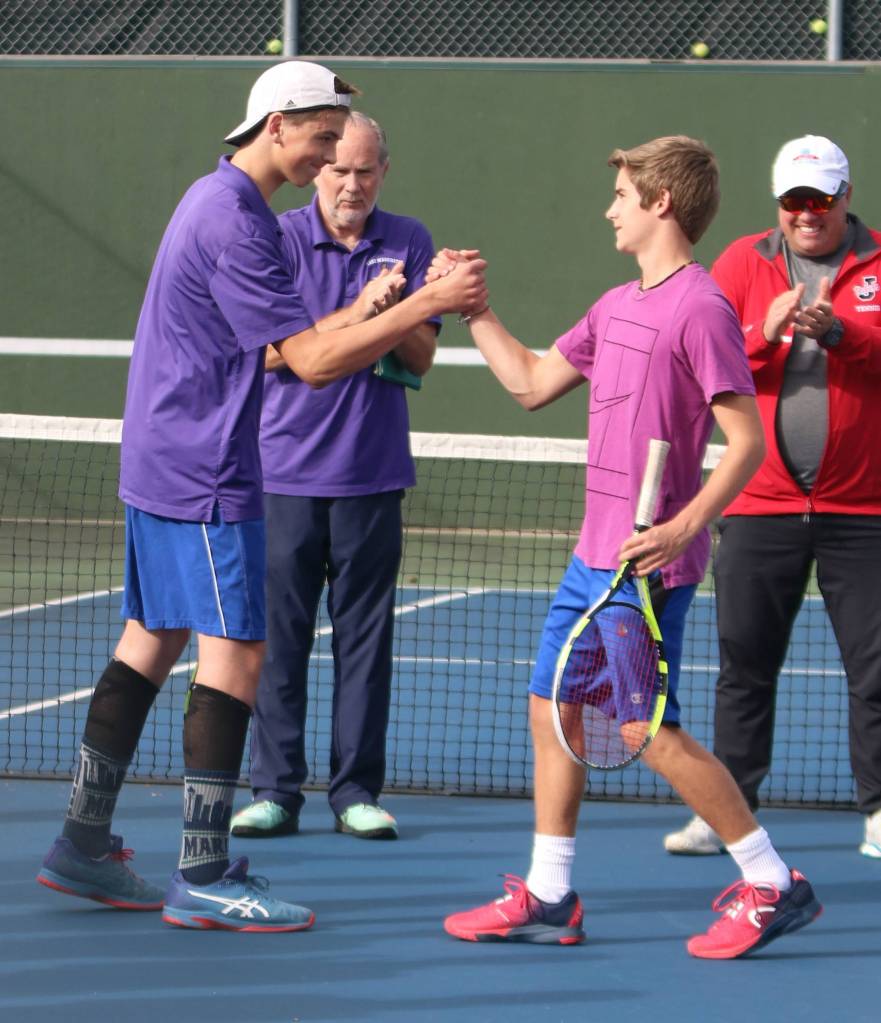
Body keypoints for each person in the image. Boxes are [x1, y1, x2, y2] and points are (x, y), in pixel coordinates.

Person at [34, 60, 487, 931]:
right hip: (207, 468)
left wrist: (381, 305)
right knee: (237, 655)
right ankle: (201, 871)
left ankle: (83, 842)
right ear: (275, 125)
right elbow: (312, 364)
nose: (329, 157)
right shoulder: (240, 221)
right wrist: (427, 299)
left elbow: (296, 345)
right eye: (321, 138)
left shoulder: (213, 199)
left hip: (163, 456)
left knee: (149, 640)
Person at [438, 136, 822, 959]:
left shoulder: (700, 306)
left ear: (660, 204)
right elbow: (532, 383)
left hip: (645, 568)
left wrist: (687, 524)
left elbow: (744, 439)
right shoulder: (615, 306)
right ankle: (548, 891)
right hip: (592, 561)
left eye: (621, 194)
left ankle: (769, 879)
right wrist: (474, 312)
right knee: (550, 707)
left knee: (645, 729)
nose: (608, 207)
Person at [664, 135, 881, 860]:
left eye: (819, 199)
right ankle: (728, 812)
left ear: (845, 196)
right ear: (777, 205)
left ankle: (878, 812)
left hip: (864, 511)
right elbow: (705, 354)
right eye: (793, 201)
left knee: (874, 669)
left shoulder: (878, 261)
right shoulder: (738, 263)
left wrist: (842, 333)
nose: (806, 214)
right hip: (760, 507)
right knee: (743, 666)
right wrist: (764, 331)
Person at [229, 112, 438, 842]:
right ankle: (275, 790)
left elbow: (419, 356)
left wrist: (403, 306)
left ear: (385, 169)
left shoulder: (409, 240)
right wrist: (358, 310)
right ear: (317, 168)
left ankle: (355, 791)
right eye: (339, 168)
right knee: (277, 642)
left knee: (365, 643)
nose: (351, 183)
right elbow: (262, 355)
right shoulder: (275, 239)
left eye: (365, 170)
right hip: (281, 476)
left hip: (372, 478)